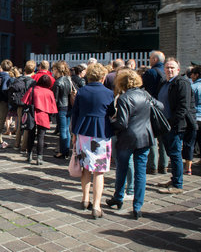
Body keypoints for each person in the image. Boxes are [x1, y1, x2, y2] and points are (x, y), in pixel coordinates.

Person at [106, 69, 164, 220]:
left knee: (122, 169)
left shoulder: (124, 98)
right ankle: (137, 206)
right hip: (145, 136)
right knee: (140, 172)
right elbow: (161, 106)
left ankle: (118, 197)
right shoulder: (145, 94)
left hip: (127, 138)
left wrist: (112, 121)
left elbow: (122, 123)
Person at [71, 63, 114, 219]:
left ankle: (85, 199)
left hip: (83, 131)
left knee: (86, 167)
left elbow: (74, 113)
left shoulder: (82, 92)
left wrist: (74, 133)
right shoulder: (109, 93)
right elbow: (112, 113)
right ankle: (96, 206)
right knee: (99, 171)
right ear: (103, 77)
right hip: (101, 132)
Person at [157, 58, 197, 194]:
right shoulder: (165, 83)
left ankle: (178, 184)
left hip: (175, 125)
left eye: (172, 68)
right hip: (165, 124)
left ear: (178, 70)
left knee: (175, 154)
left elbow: (183, 107)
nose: (169, 70)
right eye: (167, 67)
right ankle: (174, 178)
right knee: (171, 153)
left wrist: (172, 123)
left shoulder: (182, 83)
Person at [22, 74, 57, 165]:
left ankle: (29, 155)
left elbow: (25, 101)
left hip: (32, 114)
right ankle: (39, 158)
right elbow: (53, 108)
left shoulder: (32, 89)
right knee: (41, 137)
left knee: (31, 136)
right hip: (43, 116)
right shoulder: (49, 92)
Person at [142, 50, 168, 175]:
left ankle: (153, 166)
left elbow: (144, 89)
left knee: (151, 136)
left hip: (151, 107)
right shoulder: (166, 72)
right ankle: (164, 165)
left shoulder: (151, 72)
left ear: (155, 60)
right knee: (163, 136)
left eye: (151, 58)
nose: (149, 60)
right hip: (164, 107)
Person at [52, 61, 72, 159]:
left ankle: (63, 151)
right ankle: (66, 150)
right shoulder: (69, 79)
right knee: (67, 130)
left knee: (63, 130)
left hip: (61, 107)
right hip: (69, 106)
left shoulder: (58, 82)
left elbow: (55, 99)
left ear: (57, 70)